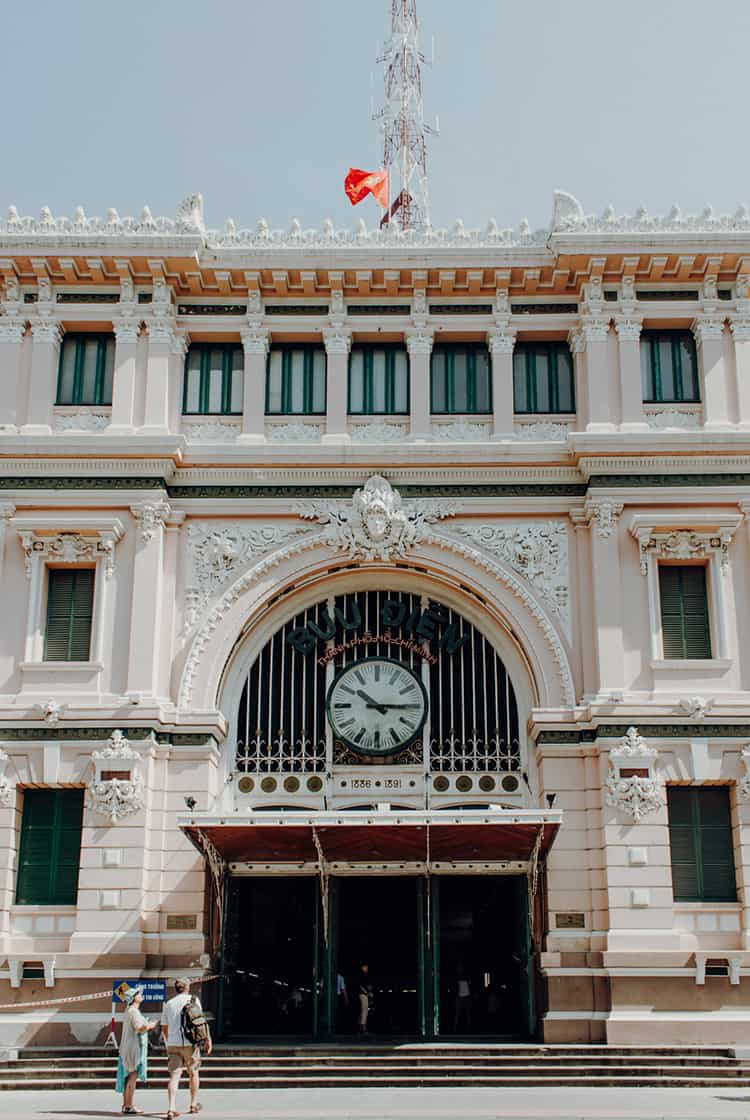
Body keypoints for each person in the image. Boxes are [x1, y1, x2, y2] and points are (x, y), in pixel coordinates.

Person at [160, 977, 212, 1119]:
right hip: (190, 1043)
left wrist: (168, 1041)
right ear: (187, 987)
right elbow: (200, 1022)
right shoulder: (193, 1001)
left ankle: (171, 1108)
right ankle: (193, 1104)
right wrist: (208, 1040)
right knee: (193, 1072)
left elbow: (164, 1027)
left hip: (173, 1043)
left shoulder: (168, 1004)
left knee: (174, 1076)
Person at [115, 984, 159, 1115]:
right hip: (133, 1047)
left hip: (128, 1046)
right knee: (132, 1076)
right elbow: (139, 1028)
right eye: (138, 994)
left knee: (129, 1076)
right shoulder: (133, 1011)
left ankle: (126, 1104)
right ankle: (129, 1105)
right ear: (134, 998)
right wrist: (151, 1025)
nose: (141, 995)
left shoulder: (130, 1011)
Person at [453, 964, 472, 1032]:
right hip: (459, 997)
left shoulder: (466, 975)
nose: (459, 969)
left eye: (460, 968)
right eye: (458, 968)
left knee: (468, 1012)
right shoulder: (456, 976)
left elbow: (470, 984)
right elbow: (454, 987)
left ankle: (469, 1026)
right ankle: (455, 1027)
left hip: (467, 996)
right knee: (457, 1013)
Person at [357, 963, 372, 1034]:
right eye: (365, 967)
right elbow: (360, 986)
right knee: (364, 1010)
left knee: (363, 1010)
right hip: (363, 994)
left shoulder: (365, 976)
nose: (366, 968)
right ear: (362, 967)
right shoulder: (362, 975)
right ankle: (363, 1027)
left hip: (364, 994)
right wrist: (367, 993)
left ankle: (360, 1026)